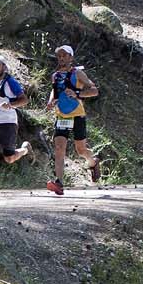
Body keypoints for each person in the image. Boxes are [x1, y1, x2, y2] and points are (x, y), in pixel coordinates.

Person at [44, 44, 100, 196]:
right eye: (59, 55)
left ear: (71, 57)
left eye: (64, 55)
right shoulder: (55, 75)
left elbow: (94, 91)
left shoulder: (78, 73)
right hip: (61, 115)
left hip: (77, 115)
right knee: (59, 148)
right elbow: (54, 91)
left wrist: (77, 93)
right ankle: (59, 183)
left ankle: (93, 162)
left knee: (80, 150)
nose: (61, 58)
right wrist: (51, 101)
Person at [0, 54, 32, 195]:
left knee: (9, 158)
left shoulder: (10, 83)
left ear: (4, 66)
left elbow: (24, 100)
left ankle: (25, 149)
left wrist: (10, 105)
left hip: (8, 123)